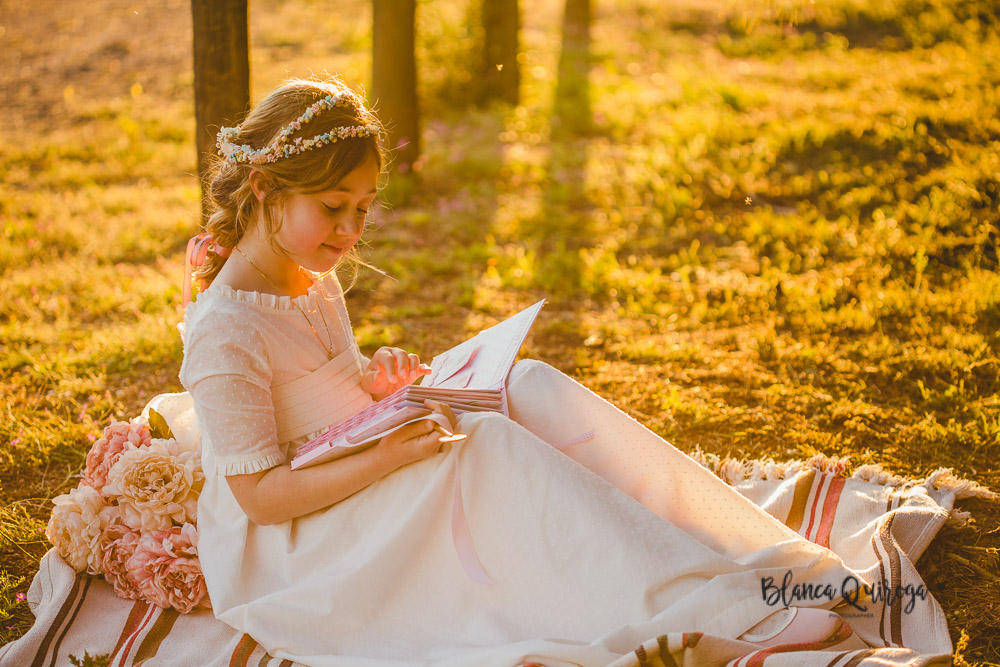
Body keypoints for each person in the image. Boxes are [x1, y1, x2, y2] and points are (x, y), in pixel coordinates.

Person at [178, 77, 860, 667]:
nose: (352, 230)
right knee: (489, 446)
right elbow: (262, 497)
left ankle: (737, 552)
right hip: (298, 542)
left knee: (527, 382)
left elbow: (332, 381)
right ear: (265, 187)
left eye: (363, 207)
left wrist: (377, 383)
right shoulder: (225, 330)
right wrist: (385, 455)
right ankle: (710, 610)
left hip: (352, 455)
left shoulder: (310, 276)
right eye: (334, 208)